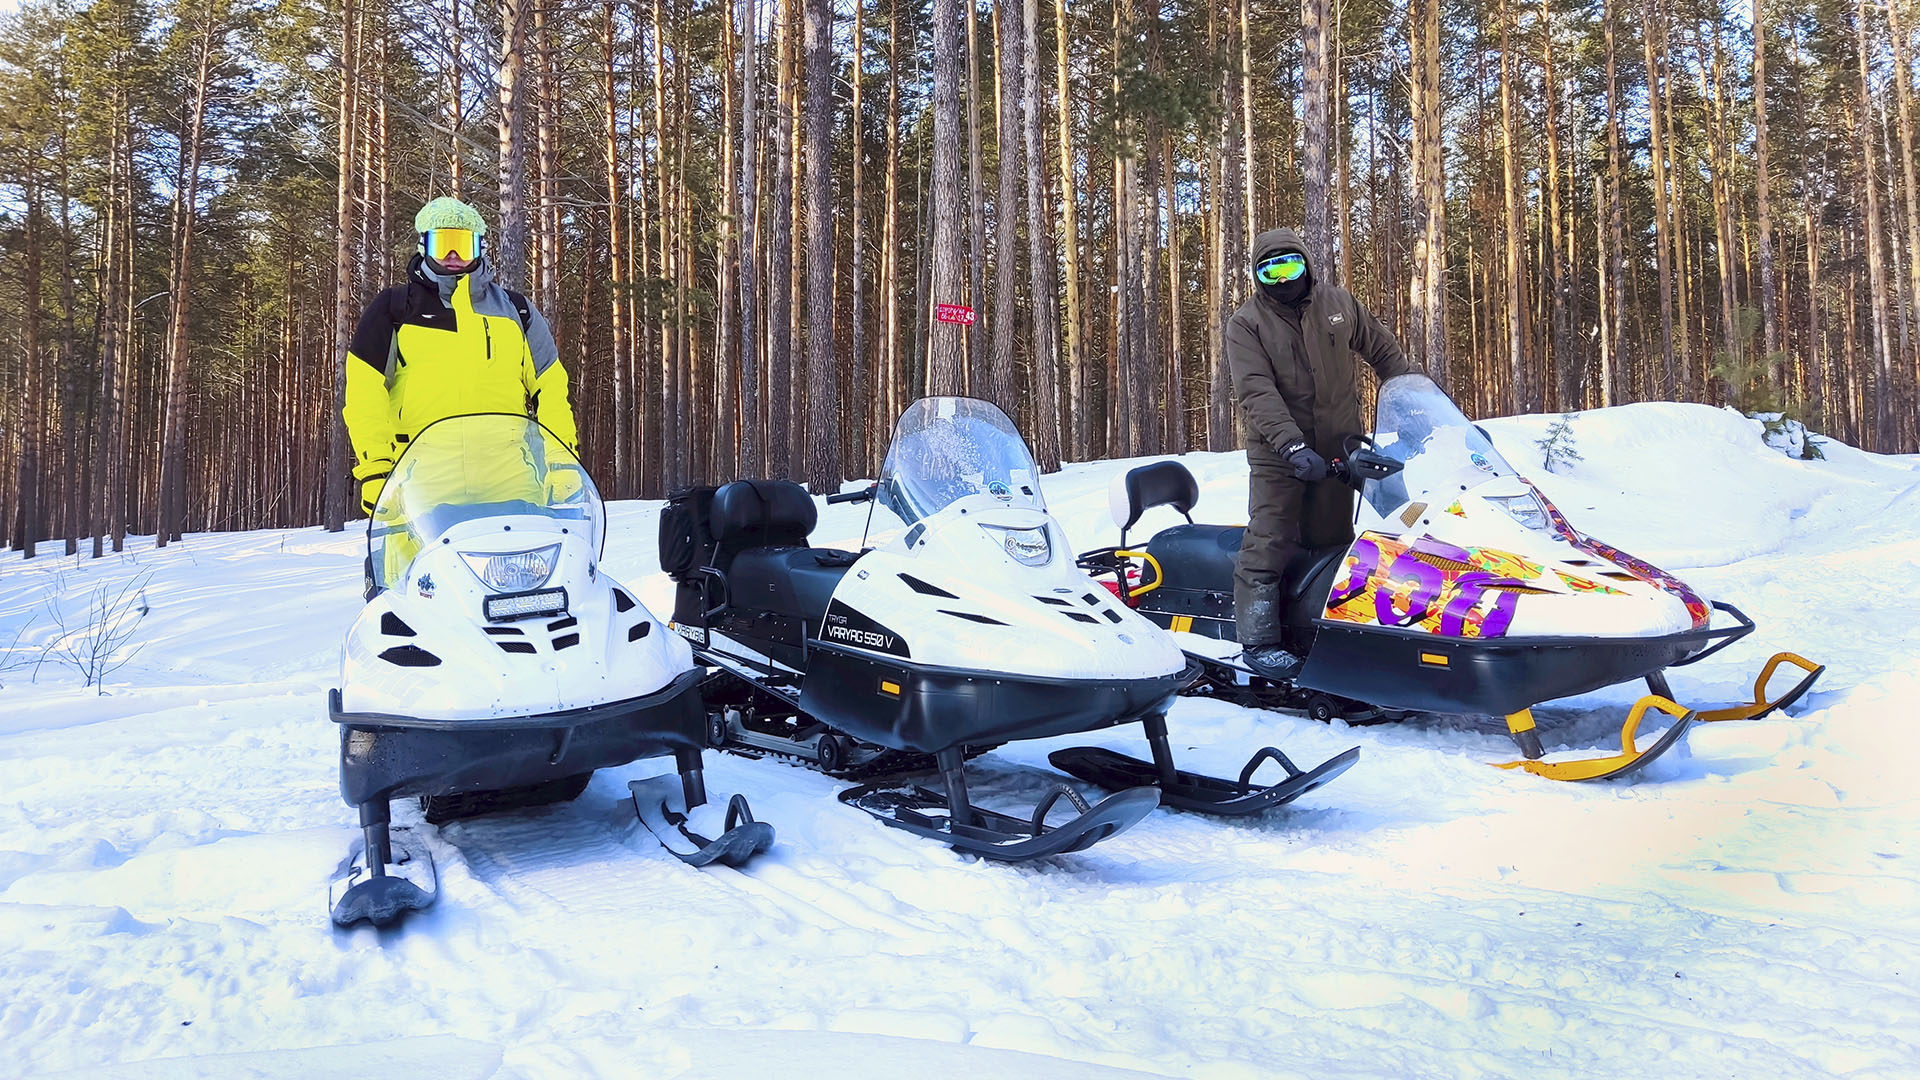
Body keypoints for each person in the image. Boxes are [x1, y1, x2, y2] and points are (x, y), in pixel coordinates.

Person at [343, 197, 580, 592]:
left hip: (512, 489)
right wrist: (376, 472)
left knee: (527, 603)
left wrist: (562, 462)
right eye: (443, 244)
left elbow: (552, 391)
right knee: (417, 606)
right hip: (420, 495)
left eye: (464, 244)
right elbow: (365, 397)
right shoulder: (393, 310)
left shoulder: (517, 313)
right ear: (424, 245)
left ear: (481, 248)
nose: (453, 255)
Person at [1225, 226, 1412, 680]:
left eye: (1289, 265)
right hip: (1277, 450)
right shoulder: (1247, 323)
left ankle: (1324, 627)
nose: (1281, 278)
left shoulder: (1337, 305)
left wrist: (1409, 400)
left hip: (1339, 447)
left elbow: (1383, 350)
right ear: (1256, 277)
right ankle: (1259, 638)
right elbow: (1256, 391)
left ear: (1307, 264)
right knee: (1272, 535)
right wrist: (1291, 445)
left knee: (1333, 539)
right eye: (1268, 270)